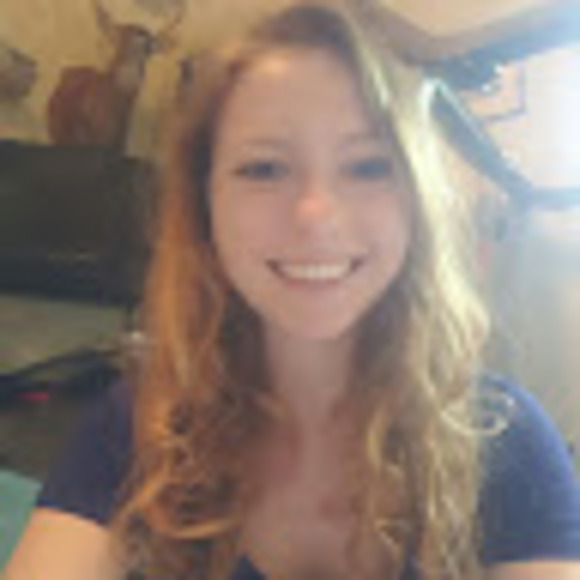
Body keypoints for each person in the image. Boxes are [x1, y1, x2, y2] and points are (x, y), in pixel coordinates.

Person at [5, 1, 580, 579]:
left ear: (417, 202)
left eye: (367, 166)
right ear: (205, 205)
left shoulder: (503, 440)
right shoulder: (137, 428)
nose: (315, 214)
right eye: (263, 169)